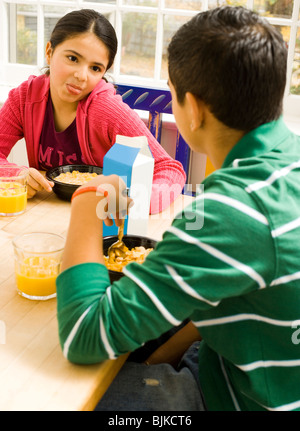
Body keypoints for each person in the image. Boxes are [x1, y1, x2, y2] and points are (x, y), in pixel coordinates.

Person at [56, 6, 300, 411]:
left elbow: (84, 336)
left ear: (194, 108)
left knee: (61, 398)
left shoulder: (232, 211)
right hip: (234, 360)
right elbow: (227, 296)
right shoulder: (287, 159)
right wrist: (155, 359)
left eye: (171, 92)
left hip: (238, 398)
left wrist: (85, 206)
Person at [0, 9, 185, 214]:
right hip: (45, 212)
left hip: (98, 220)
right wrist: (16, 174)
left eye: (95, 68)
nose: (81, 76)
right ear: (49, 52)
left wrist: (138, 202)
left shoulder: (106, 110)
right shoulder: (24, 99)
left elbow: (170, 169)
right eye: (72, 58)